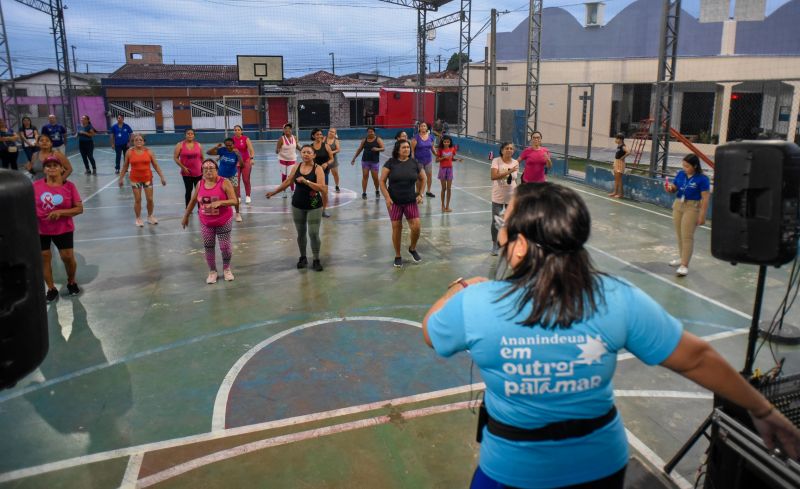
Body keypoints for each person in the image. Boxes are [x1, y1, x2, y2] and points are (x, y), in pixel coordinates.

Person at [422, 182, 800, 489]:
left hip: (512, 471)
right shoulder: (616, 298)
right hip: (601, 467)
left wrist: (461, 287)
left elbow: (430, 332)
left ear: (519, 244)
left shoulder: (477, 303)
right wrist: (762, 409)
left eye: (504, 221)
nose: (500, 228)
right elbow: (696, 358)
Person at [266, 145, 327, 272]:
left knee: (313, 233)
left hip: (314, 206)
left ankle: (316, 259)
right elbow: (288, 181)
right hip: (297, 205)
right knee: (301, 233)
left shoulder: (318, 169)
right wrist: (274, 192)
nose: (306, 154)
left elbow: (322, 188)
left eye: (309, 152)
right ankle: (303, 257)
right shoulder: (297, 167)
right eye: (304, 152)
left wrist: (306, 182)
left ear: (314, 155)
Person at [34, 155, 83, 302]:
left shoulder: (69, 187)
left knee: (67, 257)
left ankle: (71, 281)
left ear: (62, 169)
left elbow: (79, 209)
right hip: (41, 229)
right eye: (48, 166)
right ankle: (51, 288)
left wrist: (60, 212)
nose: (52, 168)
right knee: (44, 258)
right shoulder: (35, 186)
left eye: (56, 165)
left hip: (63, 228)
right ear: (44, 170)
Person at [181, 159, 239, 284]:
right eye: (205, 169)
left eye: (211, 168)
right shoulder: (200, 184)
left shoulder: (225, 182)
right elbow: (193, 201)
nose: (208, 171)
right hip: (206, 222)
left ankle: (226, 269)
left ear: (217, 170)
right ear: (202, 171)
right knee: (208, 247)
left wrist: (221, 202)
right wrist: (186, 216)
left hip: (224, 220)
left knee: (225, 247)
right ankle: (212, 271)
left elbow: (235, 201)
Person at [379, 139, 426, 268]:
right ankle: (398, 255)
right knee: (397, 227)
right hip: (394, 201)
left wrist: (421, 194)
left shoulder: (414, 163)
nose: (407, 149)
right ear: (398, 150)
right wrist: (387, 198)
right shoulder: (390, 163)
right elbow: (382, 181)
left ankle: (412, 248)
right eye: (404, 147)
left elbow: (423, 178)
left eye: (408, 147)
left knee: (416, 227)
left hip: (410, 200)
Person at [665, 154, 711, 277]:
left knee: (687, 236)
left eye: (687, 166)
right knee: (679, 234)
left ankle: (684, 265)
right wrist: (670, 188)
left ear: (695, 166)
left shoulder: (702, 179)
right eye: (683, 165)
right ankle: (682, 258)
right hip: (678, 204)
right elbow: (675, 187)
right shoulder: (681, 174)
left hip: (692, 207)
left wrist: (702, 215)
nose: (684, 168)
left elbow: (705, 198)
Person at [118, 133, 167, 227]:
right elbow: (125, 166)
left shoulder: (149, 152)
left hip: (147, 178)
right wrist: (121, 178)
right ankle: (138, 218)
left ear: (144, 142)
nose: (138, 141)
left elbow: (155, 165)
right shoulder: (129, 152)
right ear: (133, 142)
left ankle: (150, 216)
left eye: (140, 140)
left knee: (150, 199)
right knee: (138, 199)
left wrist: (162, 177)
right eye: (136, 140)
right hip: (135, 179)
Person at [489, 142, 519, 256]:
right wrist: (509, 171)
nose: (509, 150)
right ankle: (495, 244)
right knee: (496, 221)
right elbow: (493, 176)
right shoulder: (496, 161)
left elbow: (514, 179)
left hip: (511, 196)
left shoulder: (515, 162)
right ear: (502, 150)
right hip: (498, 196)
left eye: (511, 148)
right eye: (507, 148)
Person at [207, 138, 244, 222]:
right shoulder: (222, 150)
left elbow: (242, 165)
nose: (228, 147)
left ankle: (237, 213)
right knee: (218, 194)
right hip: (221, 176)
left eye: (230, 145)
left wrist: (238, 155)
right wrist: (216, 147)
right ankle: (219, 213)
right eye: (226, 145)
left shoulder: (236, 152)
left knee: (235, 195)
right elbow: (208, 152)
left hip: (232, 176)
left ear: (233, 144)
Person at [351, 126, 384, 200]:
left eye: (372, 131)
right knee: (365, 176)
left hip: (374, 162)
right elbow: (359, 149)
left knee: (375, 178)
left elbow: (383, 148)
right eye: (369, 131)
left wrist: (377, 149)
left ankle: (377, 190)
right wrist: (354, 158)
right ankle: (364, 192)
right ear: (367, 132)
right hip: (365, 161)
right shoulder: (364, 140)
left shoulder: (378, 139)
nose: (370, 133)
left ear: (374, 132)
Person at [173, 128, 204, 208]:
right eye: (188, 133)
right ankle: (188, 208)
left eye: (191, 134)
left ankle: (200, 208)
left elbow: (202, 158)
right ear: (185, 135)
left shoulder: (199, 145)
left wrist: (204, 169)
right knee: (188, 191)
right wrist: (183, 168)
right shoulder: (179, 145)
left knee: (199, 191)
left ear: (194, 135)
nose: (190, 135)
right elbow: (176, 158)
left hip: (198, 172)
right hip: (186, 172)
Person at [310, 128, 334, 218]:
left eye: (320, 134)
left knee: (324, 191)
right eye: (317, 134)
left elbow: (332, 159)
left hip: (324, 172)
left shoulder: (326, 146)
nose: (319, 136)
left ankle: (324, 210)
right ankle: (314, 208)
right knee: (313, 191)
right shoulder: (311, 147)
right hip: (313, 171)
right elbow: (307, 158)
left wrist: (326, 163)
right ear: (313, 136)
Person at [435, 135, 462, 212]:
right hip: (442, 169)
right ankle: (442, 205)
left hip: (450, 169)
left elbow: (452, 158)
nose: (446, 143)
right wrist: (443, 158)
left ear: (450, 142)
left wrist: (457, 160)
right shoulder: (440, 150)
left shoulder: (452, 149)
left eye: (448, 142)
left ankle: (447, 206)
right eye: (445, 142)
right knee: (443, 188)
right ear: (442, 142)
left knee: (449, 188)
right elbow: (436, 160)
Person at [411, 121, 436, 198]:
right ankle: (418, 192)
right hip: (418, 160)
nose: (423, 127)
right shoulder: (416, 137)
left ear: (427, 128)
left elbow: (432, 147)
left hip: (428, 160)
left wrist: (437, 154)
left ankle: (428, 191)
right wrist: (413, 160)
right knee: (419, 177)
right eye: (421, 126)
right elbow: (412, 150)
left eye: (424, 126)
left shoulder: (431, 137)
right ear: (419, 128)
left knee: (429, 176)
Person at [232, 125, 256, 204]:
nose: (237, 131)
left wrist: (251, 159)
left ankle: (248, 196)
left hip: (246, 161)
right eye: (235, 130)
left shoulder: (246, 139)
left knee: (246, 179)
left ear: (241, 131)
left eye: (238, 130)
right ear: (234, 131)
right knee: (236, 180)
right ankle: (238, 197)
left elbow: (251, 150)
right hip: (236, 163)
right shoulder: (232, 140)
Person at [275, 123, 298, 198]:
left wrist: (304, 150)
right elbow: (277, 149)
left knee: (290, 176)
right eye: (286, 128)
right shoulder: (281, 139)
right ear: (283, 130)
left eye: (289, 128)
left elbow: (297, 146)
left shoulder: (295, 137)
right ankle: (284, 191)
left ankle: (292, 191)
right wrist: (278, 150)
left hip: (292, 159)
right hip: (283, 159)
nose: (287, 130)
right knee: (284, 176)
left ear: (291, 130)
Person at [609, 133, 629, 198]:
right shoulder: (618, 146)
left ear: (620, 139)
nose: (615, 140)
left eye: (617, 138)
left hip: (620, 163)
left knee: (619, 179)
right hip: (617, 162)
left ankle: (621, 194)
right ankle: (615, 192)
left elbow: (628, 152)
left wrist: (623, 157)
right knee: (616, 179)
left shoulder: (623, 146)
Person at [325, 128, 342, 192]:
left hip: (333, 159)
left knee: (335, 173)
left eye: (332, 132)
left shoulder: (336, 141)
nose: (330, 132)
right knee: (324, 173)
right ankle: (324, 186)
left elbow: (338, 149)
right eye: (330, 131)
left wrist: (331, 152)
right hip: (324, 159)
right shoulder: (324, 139)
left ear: (335, 134)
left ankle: (337, 185)